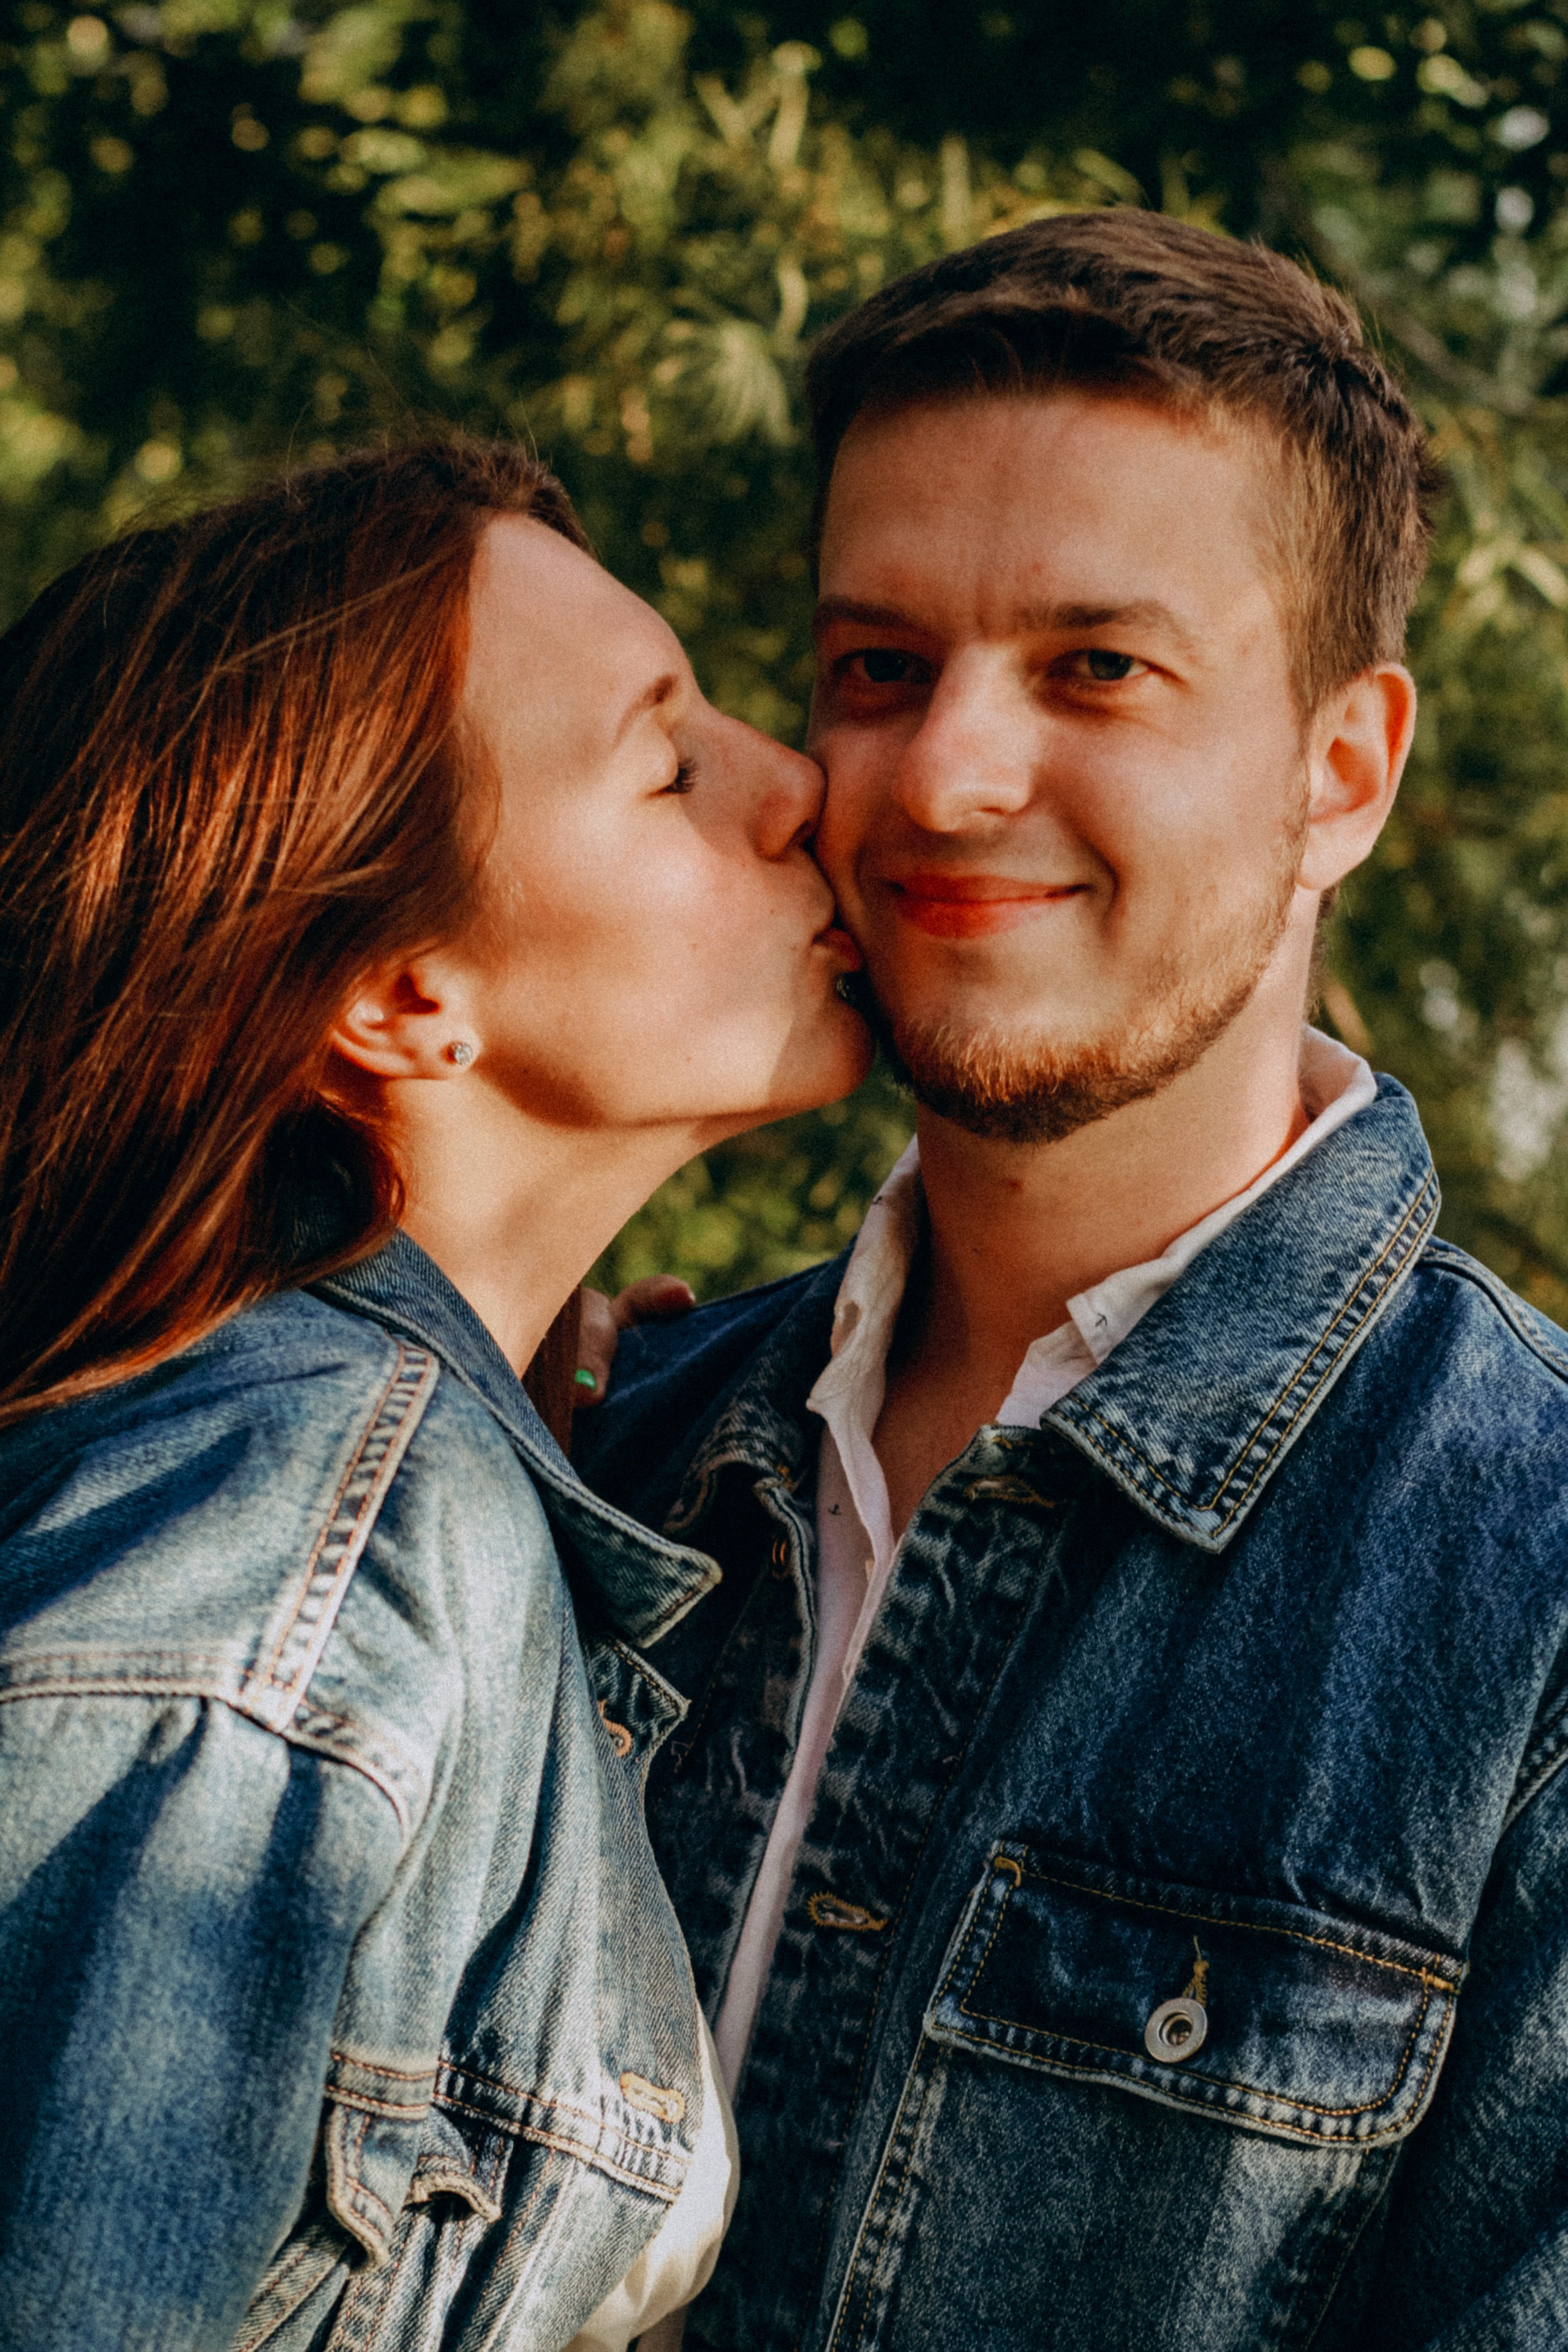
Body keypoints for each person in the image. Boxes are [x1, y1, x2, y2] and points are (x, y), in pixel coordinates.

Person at [574, 214, 1568, 2351]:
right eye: (879, 665)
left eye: (1097, 667)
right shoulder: (614, 1466)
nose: (943, 776)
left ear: (1346, 771)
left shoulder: (1538, 1600)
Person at [0, 439, 870, 2350]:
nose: (795, 780)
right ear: (401, 995)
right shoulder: (293, 1547)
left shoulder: (407, 1492)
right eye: (669, 761)